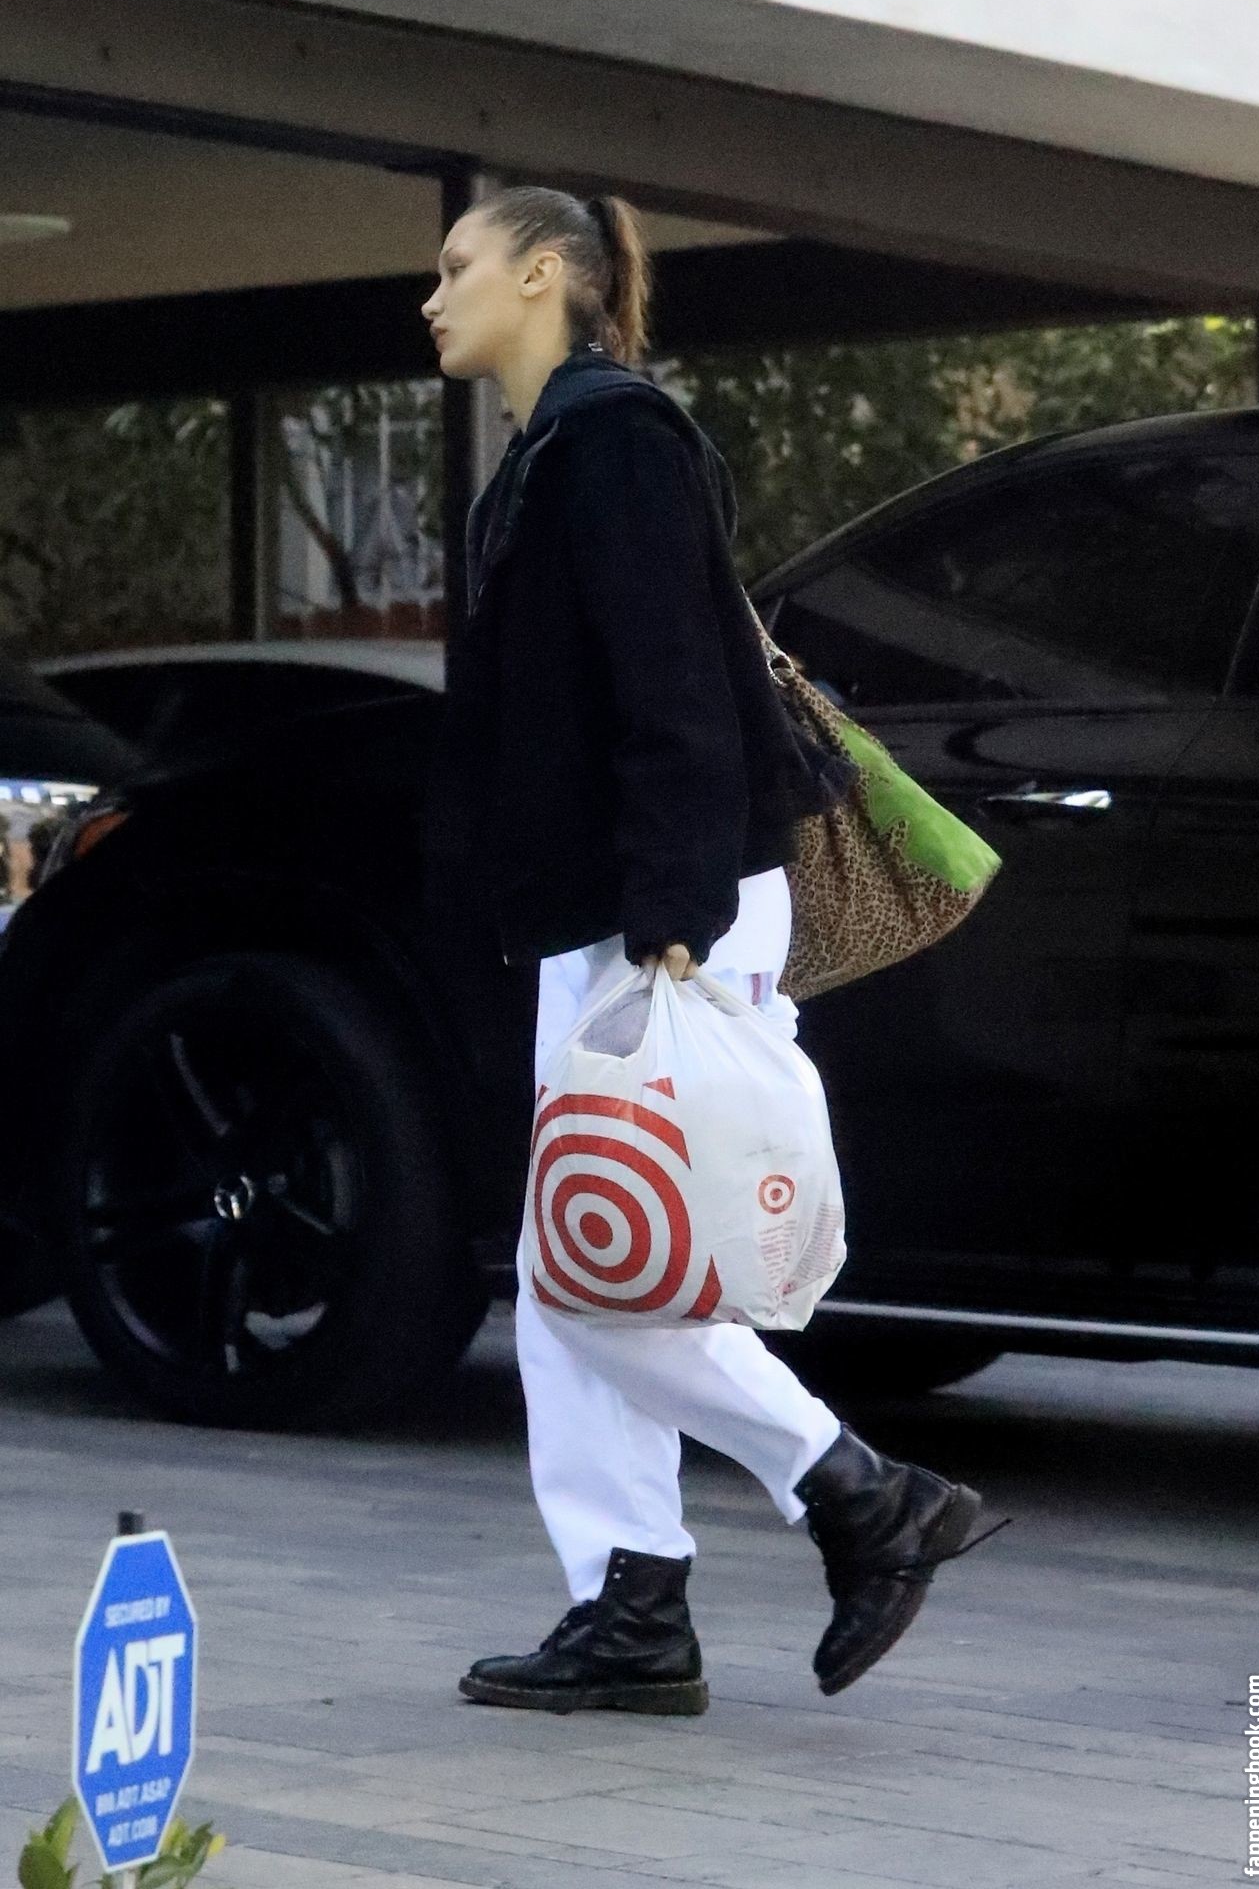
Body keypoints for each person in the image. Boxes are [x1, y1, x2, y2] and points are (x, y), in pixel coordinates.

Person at [420, 185, 1009, 1716]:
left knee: (591, 1274)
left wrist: (672, 907)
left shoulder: (617, 441)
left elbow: (673, 680)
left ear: (542, 274)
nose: (433, 296)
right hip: (612, 908)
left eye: (458, 266)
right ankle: (633, 1601)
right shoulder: (554, 449)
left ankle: (858, 1492)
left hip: (669, 912)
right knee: (582, 1267)